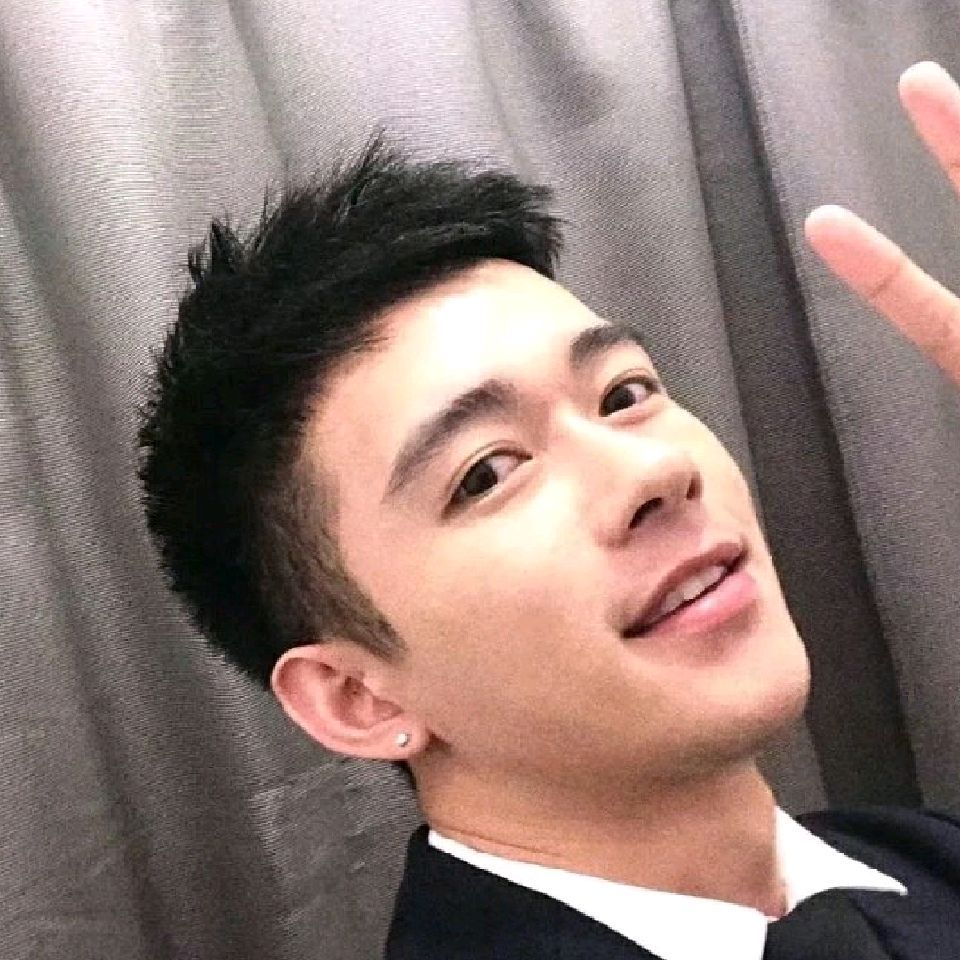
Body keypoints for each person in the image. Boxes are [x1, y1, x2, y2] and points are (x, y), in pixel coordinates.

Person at [137, 61, 960, 959]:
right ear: (357, 696)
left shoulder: (925, 860)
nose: (654, 471)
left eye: (625, 394)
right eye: (487, 473)